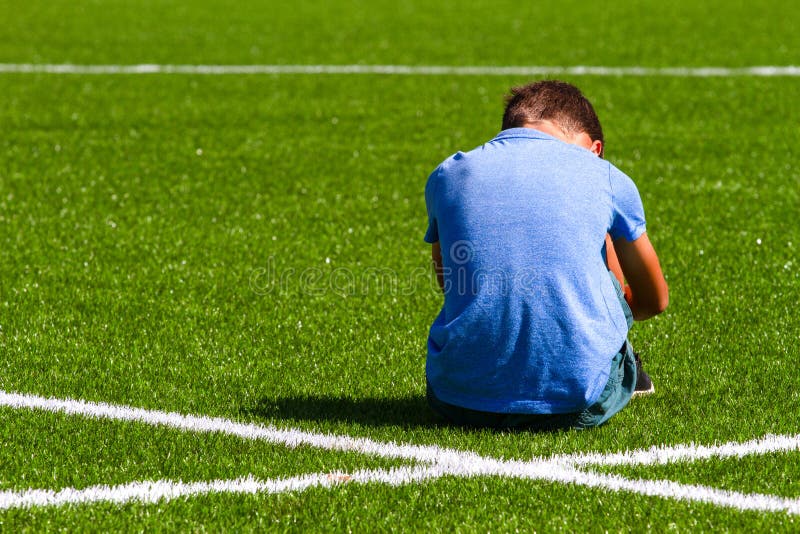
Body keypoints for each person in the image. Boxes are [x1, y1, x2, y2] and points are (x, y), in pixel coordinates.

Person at [423, 80, 668, 430]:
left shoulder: (448, 173)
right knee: (602, 235)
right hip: (577, 401)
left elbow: (450, 281)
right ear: (594, 147)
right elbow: (655, 299)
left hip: (456, 399)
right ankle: (614, 365)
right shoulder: (603, 175)